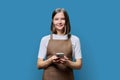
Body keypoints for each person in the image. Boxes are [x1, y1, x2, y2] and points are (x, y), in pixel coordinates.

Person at [37, 8, 82, 80]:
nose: (59, 22)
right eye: (56, 19)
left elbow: (79, 65)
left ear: (66, 20)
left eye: (62, 19)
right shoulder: (45, 39)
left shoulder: (75, 39)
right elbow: (39, 65)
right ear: (53, 21)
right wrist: (51, 60)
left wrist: (67, 62)